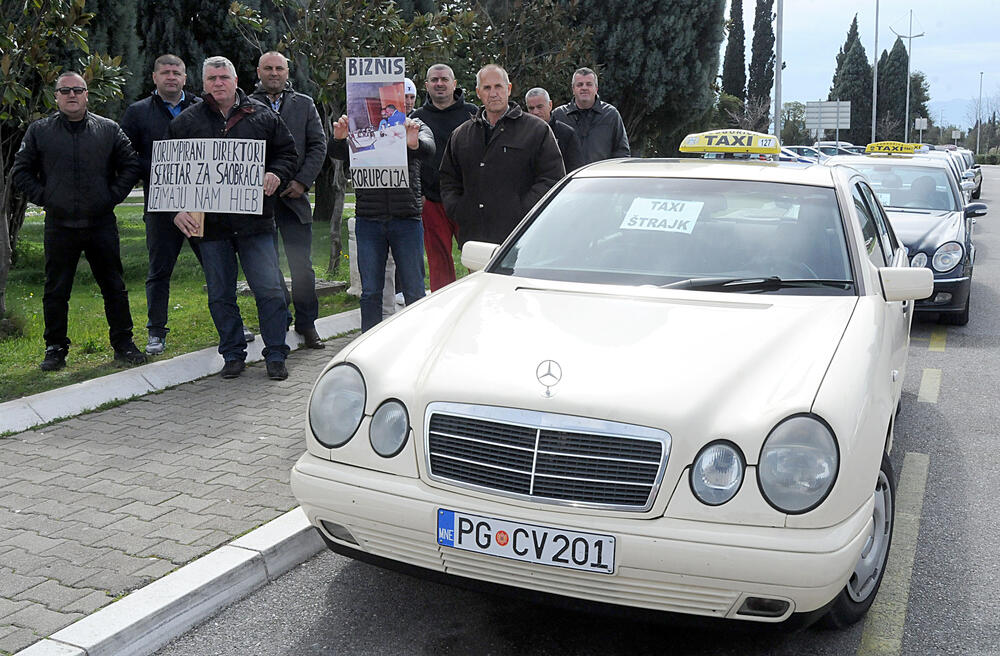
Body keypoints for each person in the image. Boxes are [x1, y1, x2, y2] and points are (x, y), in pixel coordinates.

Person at [168, 56, 298, 380]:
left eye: (224, 77)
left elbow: (287, 154)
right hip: (211, 228)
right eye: (212, 78)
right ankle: (232, 353)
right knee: (220, 294)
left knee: (269, 290)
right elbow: (169, 172)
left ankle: (276, 354)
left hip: (255, 223)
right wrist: (176, 209)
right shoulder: (186, 123)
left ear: (236, 80)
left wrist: (275, 173)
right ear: (203, 83)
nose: (218, 83)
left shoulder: (263, 116)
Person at [13, 71, 145, 371]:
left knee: (114, 286)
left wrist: (111, 197)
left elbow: (131, 165)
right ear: (56, 97)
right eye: (65, 90)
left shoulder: (108, 130)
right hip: (59, 225)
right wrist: (47, 198)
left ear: (87, 94)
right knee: (56, 290)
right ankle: (55, 348)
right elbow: (20, 172)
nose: (72, 95)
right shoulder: (39, 131)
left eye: (78, 89)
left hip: (101, 224)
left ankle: (124, 343)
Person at [121, 54, 205, 356]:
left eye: (177, 72)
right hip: (160, 207)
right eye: (165, 72)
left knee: (216, 265)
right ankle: (156, 332)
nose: (171, 77)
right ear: (154, 77)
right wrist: (160, 168)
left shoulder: (202, 108)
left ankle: (231, 324)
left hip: (200, 203)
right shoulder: (137, 112)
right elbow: (126, 156)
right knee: (159, 271)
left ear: (185, 77)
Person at [250, 51, 328, 350]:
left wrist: (302, 181)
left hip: (294, 198)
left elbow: (318, 145)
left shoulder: (304, 104)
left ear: (287, 71)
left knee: (301, 266)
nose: (273, 73)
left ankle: (307, 324)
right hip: (259, 201)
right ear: (259, 71)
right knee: (267, 266)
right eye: (268, 68)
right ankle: (279, 317)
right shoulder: (246, 104)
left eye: (279, 68)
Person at [329, 113, 434, 332]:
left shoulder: (416, 124)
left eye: (409, 97)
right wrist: (339, 138)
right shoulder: (360, 125)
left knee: (414, 290)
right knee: (370, 292)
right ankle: (368, 344)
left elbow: (428, 149)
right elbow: (337, 152)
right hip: (369, 219)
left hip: (406, 218)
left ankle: (418, 341)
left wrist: (413, 143)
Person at [439, 64, 565, 246]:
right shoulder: (461, 135)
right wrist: (460, 210)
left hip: (522, 239)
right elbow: (448, 180)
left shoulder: (536, 130)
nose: (493, 93)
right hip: (475, 238)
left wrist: (522, 211)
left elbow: (552, 178)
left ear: (509, 89)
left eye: (498, 86)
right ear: (478, 92)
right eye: (487, 88)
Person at [410, 63, 477, 291]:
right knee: (438, 263)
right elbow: (410, 158)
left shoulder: (473, 114)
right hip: (432, 201)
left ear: (454, 84)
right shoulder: (416, 119)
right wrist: (419, 194)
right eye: (434, 80)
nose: (440, 84)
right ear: (426, 85)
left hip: (466, 198)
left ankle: (480, 304)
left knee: (476, 258)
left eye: (444, 79)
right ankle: (444, 311)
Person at [551, 67, 630, 165]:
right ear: (573, 89)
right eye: (579, 85)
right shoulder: (559, 115)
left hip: (601, 177)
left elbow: (622, 152)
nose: (584, 88)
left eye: (589, 84)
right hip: (569, 178)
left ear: (596, 88)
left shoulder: (611, 114)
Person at [524, 86, 584, 173]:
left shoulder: (566, 134)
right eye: (531, 108)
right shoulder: (522, 134)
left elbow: (575, 169)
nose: (535, 112)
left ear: (550, 105)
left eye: (540, 107)